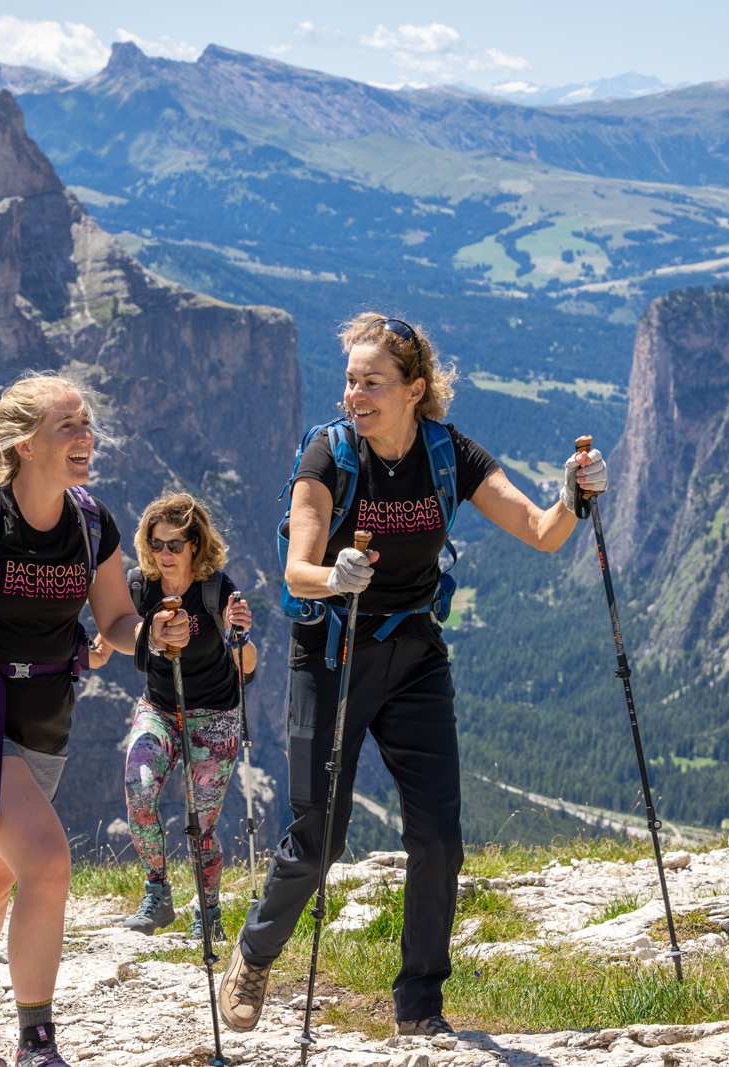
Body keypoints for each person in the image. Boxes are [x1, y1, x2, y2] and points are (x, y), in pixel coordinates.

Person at [217, 313, 608, 1037]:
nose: (354, 395)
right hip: (330, 655)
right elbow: (295, 571)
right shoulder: (327, 456)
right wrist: (336, 575)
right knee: (318, 838)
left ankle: (419, 1005)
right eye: (350, 381)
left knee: (438, 837)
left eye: (371, 383)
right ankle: (254, 951)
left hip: (414, 656)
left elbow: (542, 531)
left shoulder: (447, 453)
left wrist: (575, 494)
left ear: (414, 389)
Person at [0, 372, 191, 1067]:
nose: (86, 439)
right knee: (47, 862)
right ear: (25, 444)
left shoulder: (91, 520)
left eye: (86, 424)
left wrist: (152, 635)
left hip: (45, 724)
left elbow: (114, 618)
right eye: (68, 428)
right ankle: (37, 1044)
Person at [113, 493, 257, 941]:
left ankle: (208, 912)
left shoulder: (217, 590)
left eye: (175, 545)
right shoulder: (141, 586)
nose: (164, 554)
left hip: (214, 716)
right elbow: (117, 628)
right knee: (139, 790)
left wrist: (241, 635)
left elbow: (247, 665)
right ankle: (157, 892)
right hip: (159, 708)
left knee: (202, 825)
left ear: (195, 544)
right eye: (156, 545)